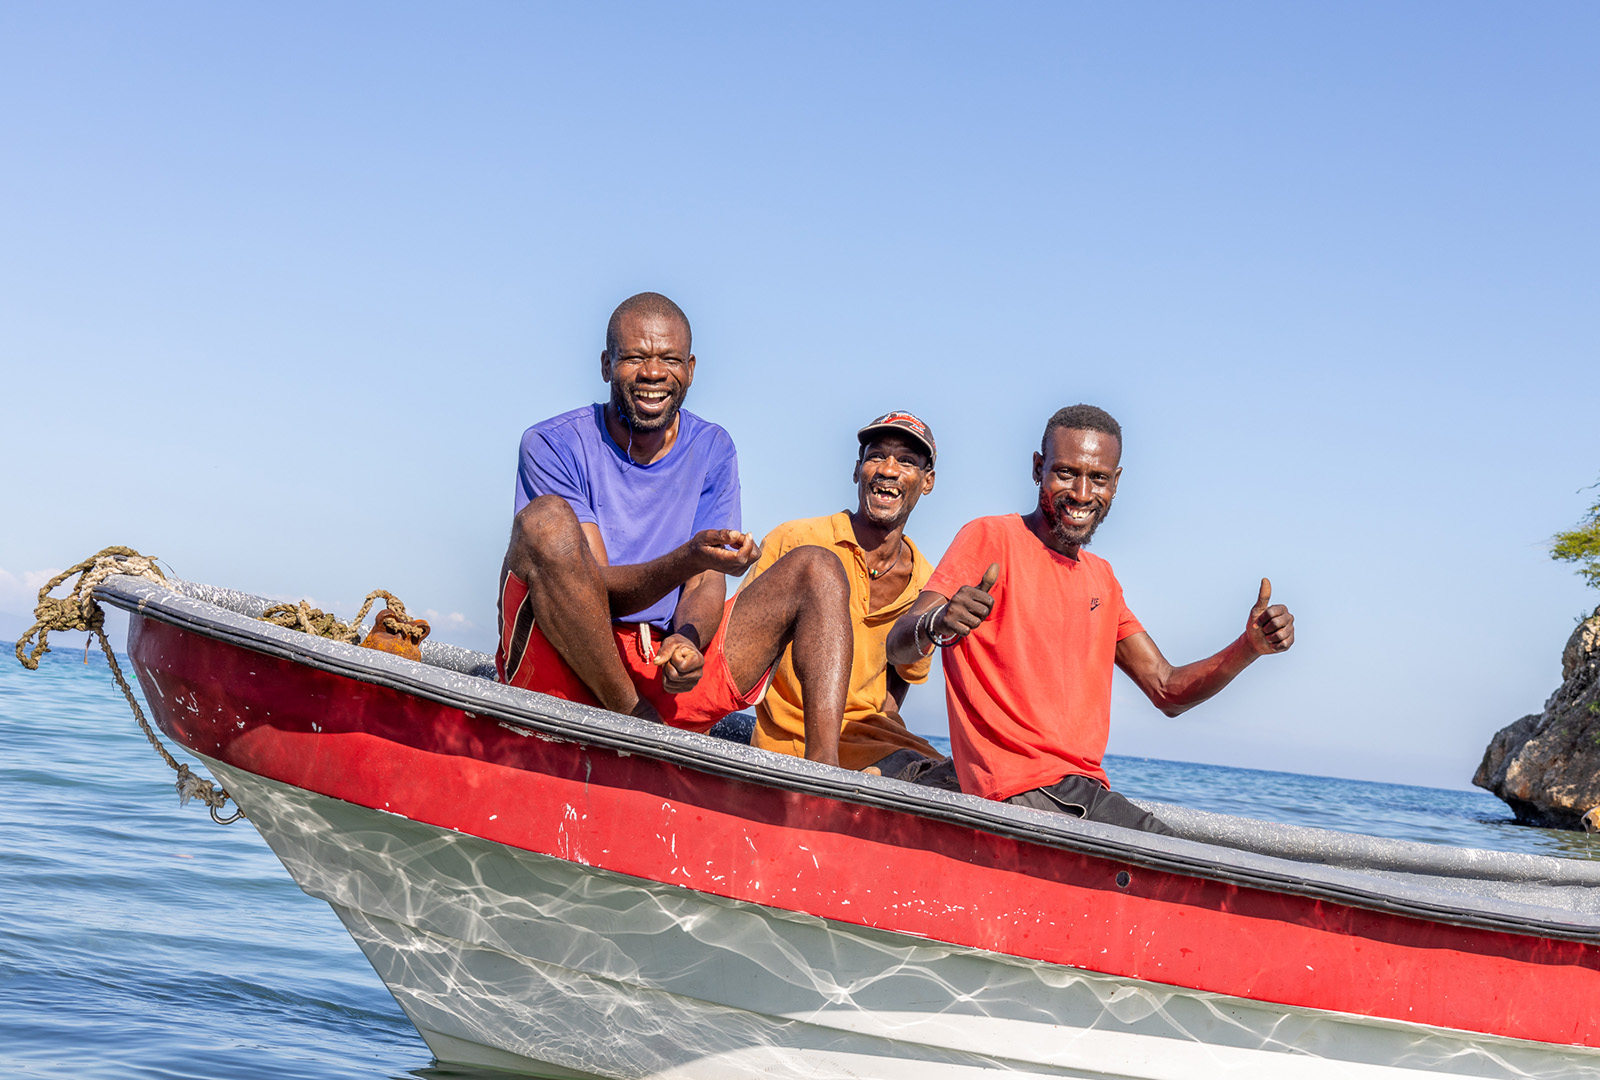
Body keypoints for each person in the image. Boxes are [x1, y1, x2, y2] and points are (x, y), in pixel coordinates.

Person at [886, 404, 1296, 832]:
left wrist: (1249, 648)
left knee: (1188, 859)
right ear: (1037, 468)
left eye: (1098, 478)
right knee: (1178, 858)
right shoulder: (991, 538)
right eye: (1065, 473)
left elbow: (1167, 689)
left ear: (1115, 483)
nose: (1081, 493)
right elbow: (898, 645)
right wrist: (937, 623)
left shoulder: (1102, 579)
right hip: (1017, 790)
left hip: (1076, 790)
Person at [496, 292, 853, 765]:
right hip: (577, 660)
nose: (653, 374)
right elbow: (597, 592)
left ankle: (823, 783)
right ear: (606, 365)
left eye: (669, 359)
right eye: (635, 358)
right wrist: (690, 555)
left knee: (820, 568)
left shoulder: (713, 447)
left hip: (663, 667)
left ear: (690, 368)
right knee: (545, 521)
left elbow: (707, 580)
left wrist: (688, 638)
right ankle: (634, 724)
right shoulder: (552, 443)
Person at [742, 412, 952, 780]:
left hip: (879, 744)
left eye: (906, 461)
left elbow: (900, 678)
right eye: (876, 456)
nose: (888, 470)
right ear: (858, 470)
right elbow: (740, 646)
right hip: (792, 741)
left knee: (968, 783)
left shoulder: (926, 581)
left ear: (928, 480)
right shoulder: (795, 540)